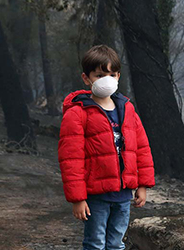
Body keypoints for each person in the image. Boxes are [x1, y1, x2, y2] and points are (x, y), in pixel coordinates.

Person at [58, 45, 155, 250]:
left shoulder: (127, 109)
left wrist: (143, 185)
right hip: (96, 197)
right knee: (95, 243)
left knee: (116, 244)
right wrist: (78, 198)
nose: (107, 79)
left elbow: (142, 148)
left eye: (112, 74)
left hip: (123, 195)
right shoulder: (77, 114)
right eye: (100, 75)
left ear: (119, 76)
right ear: (87, 78)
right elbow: (71, 159)